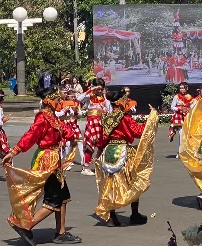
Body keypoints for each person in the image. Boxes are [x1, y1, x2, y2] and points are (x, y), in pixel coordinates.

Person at [1, 85, 81, 246]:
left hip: (54, 160)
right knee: (54, 199)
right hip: (46, 160)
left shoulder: (53, 117)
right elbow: (30, 135)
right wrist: (14, 151)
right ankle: (25, 225)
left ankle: (61, 232)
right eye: (57, 98)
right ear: (49, 100)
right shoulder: (42, 118)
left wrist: (76, 137)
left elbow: (65, 130)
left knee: (63, 196)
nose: (60, 100)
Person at [94, 90, 159, 227]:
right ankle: (134, 214)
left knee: (111, 184)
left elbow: (101, 139)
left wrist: (98, 152)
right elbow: (139, 132)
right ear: (121, 102)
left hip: (109, 152)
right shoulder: (125, 117)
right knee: (133, 180)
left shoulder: (106, 117)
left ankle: (112, 217)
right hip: (123, 150)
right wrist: (152, 117)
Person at [77, 78, 111, 176]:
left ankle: (97, 163)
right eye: (98, 89)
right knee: (90, 145)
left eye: (101, 89)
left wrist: (106, 110)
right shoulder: (89, 96)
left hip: (101, 124)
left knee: (102, 145)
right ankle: (85, 168)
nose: (99, 91)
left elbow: (109, 110)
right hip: (92, 124)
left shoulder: (105, 99)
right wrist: (90, 90)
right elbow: (78, 99)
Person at [56, 90, 84, 169]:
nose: (74, 98)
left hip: (74, 125)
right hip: (65, 125)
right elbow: (59, 115)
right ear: (68, 96)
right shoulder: (61, 103)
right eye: (72, 96)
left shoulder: (76, 103)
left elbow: (79, 115)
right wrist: (67, 110)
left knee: (80, 141)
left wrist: (78, 113)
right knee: (67, 144)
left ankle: (83, 160)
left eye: (74, 96)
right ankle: (65, 161)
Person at [169, 82, 193, 155]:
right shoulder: (177, 97)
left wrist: (188, 110)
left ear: (187, 88)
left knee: (188, 135)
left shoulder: (190, 98)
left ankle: (188, 151)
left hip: (187, 117)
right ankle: (180, 152)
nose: (181, 90)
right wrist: (180, 108)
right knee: (181, 134)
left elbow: (193, 108)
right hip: (179, 117)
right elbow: (172, 107)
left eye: (183, 88)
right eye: (180, 88)